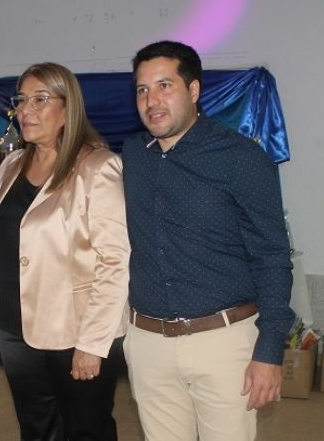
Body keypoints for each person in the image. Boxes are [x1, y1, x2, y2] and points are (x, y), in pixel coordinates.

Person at [121, 40, 294, 441]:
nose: (152, 101)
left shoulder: (241, 159)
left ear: (194, 90)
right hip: (148, 344)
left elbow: (271, 256)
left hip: (223, 342)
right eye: (142, 90)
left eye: (165, 86)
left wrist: (269, 351)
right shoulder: (133, 154)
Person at [0, 62, 129, 441]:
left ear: (67, 109)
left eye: (40, 99)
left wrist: (93, 344)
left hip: (75, 331)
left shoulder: (97, 166)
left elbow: (115, 260)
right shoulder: (11, 164)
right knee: (36, 429)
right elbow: (12, 234)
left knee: (86, 429)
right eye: (21, 100)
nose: (26, 110)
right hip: (15, 329)